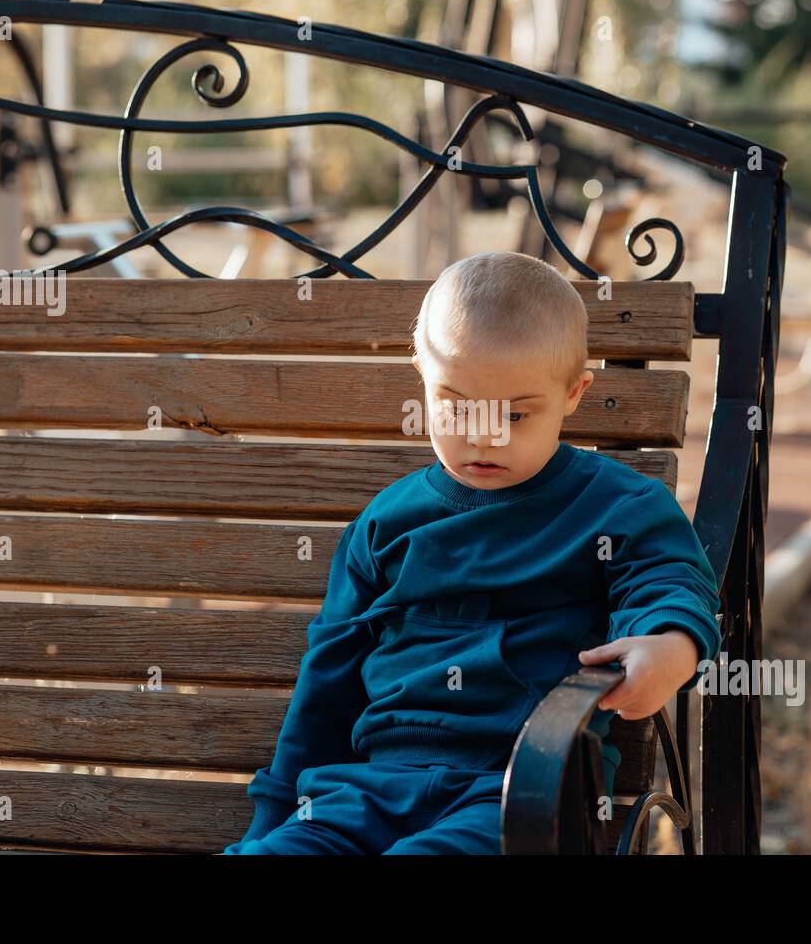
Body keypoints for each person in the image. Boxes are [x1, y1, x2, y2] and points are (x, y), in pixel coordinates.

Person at [224, 250, 721, 854]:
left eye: (514, 414)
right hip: (365, 791)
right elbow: (326, 683)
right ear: (422, 380)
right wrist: (273, 818)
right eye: (456, 407)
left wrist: (669, 645)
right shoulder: (386, 523)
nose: (482, 435)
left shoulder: (616, 507)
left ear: (574, 392)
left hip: (522, 795)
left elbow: (667, 579)